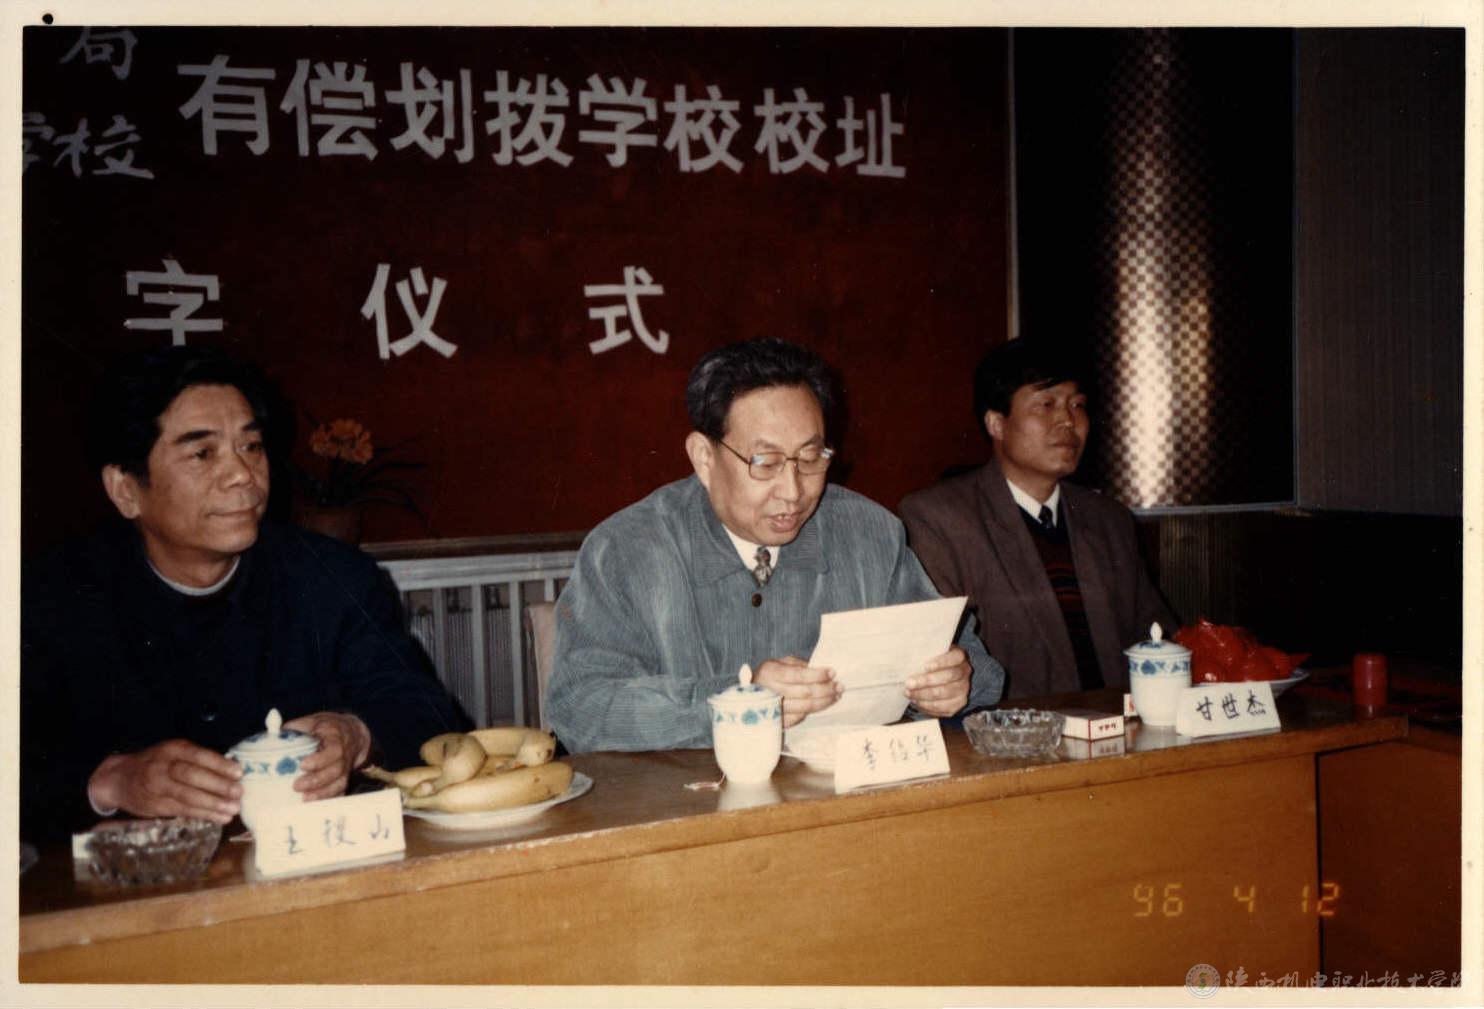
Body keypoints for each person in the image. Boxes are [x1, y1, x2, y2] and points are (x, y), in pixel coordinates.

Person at [20, 346, 469, 840]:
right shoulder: (52, 599)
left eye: (251, 446)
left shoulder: (331, 576)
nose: (243, 474)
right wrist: (111, 781)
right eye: (202, 453)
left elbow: (434, 719)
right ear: (126, 490)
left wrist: (358, 735)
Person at [545, 338, 1004, 753]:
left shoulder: (870, 533)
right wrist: (735, 704)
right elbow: (579, 708)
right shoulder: (626, 550)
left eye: (810, 457)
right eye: (764, 463)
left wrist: (953, 681)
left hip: (838, 799)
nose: (793, 491)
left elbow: (976, 666)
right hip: (682, 806)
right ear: (704, 457)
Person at [899, 339, 1177, 699]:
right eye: (1047, 404)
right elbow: (939, 663)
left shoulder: (1109, 519)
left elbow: (1156, 634)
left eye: (1077, 405)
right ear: (996, 424)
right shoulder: (939, 520)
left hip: (1118, 723)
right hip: (1011, 730)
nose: (1068, 420)